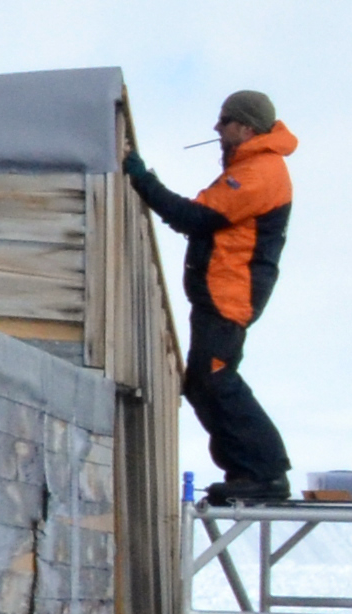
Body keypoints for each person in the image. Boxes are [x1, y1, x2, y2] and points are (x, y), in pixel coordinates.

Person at [124, 91, 298, 505]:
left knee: (216, 379)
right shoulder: (252, 166)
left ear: (246, 127)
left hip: (230, 293)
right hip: (220, 292)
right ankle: (246, 473)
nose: (217, 129)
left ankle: (267, 474)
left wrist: (141, 178)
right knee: (203, 383)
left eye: (224, 121)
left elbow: (196, 217)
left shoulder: (259, 172)